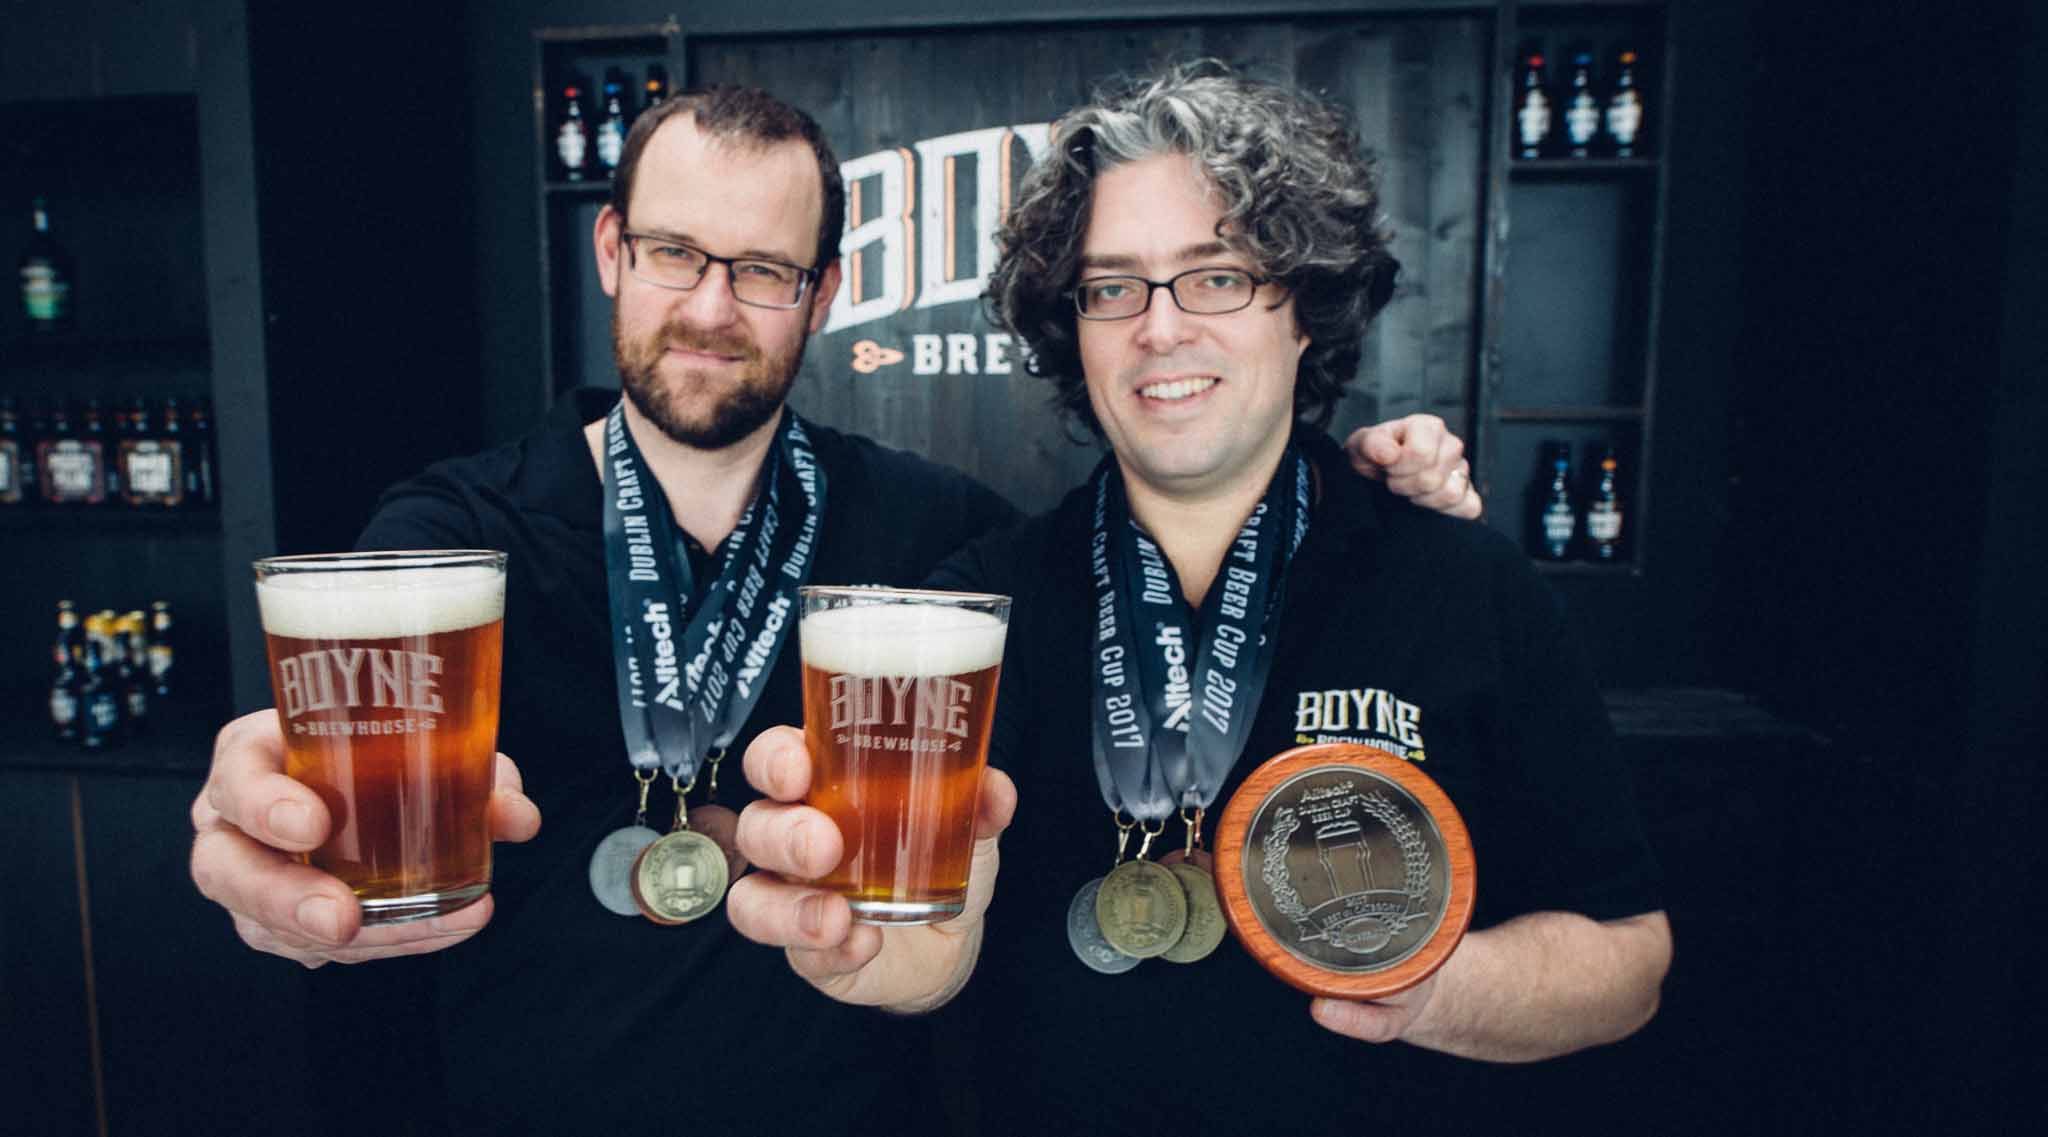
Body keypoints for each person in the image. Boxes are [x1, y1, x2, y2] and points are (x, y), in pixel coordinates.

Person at [186, 82, 1483, 1135]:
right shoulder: (448, 545)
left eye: (761, 269)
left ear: (823, 291)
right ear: (610, 252)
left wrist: (1358, 495)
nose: (709, 305)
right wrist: (274, 846)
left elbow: (1165, 582)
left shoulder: (939, 525)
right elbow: (318, 775)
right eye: (675, 253)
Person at [727, 62, 1671, 1134]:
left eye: (1214, 275)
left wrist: (1430, 989)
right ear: (1069, 330)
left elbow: (1627, 960)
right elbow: (922, 953)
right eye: (1110, 286)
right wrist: (876, 956)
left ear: (1303, 309)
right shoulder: (970, 613)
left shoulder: (1462, 581)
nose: (1158, 328)